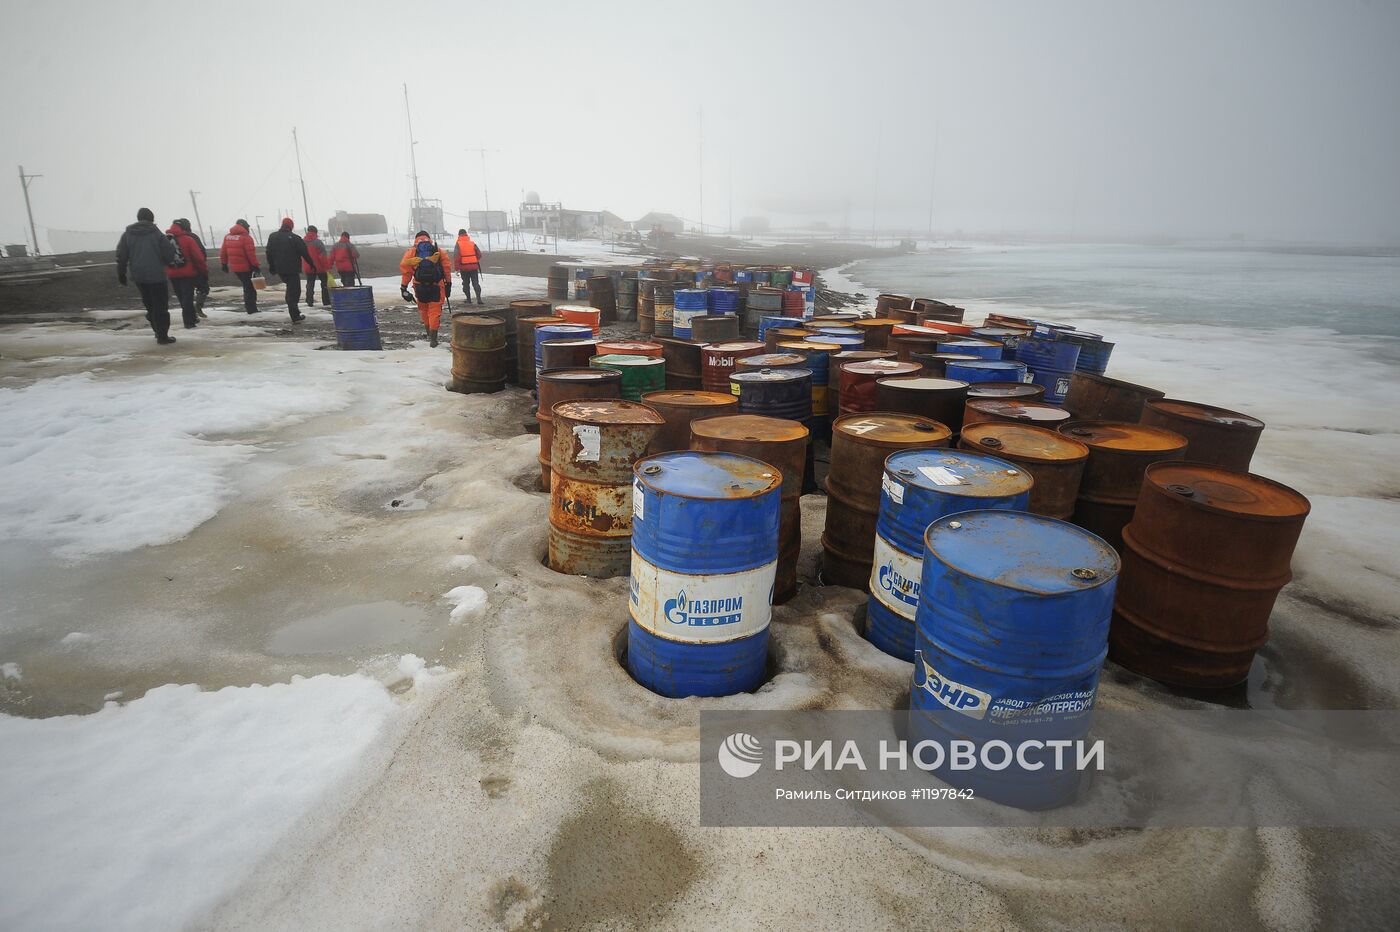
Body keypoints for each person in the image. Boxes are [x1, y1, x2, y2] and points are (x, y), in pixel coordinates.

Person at [115, 207, 179, 344]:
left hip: (139, 276)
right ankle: (162, 335)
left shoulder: (128, 234)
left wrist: (121, 273)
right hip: (157, 275)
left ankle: (156, 329)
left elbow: (121, 255)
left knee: (149, 304)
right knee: (160, 306)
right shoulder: (156, 234)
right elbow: (168, 254)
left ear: (138, 218)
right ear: (152, 218)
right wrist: (167, 261)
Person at [399, 230, 452, 347]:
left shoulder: (411, 252)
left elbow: (406, 271)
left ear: (416, 239)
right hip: (436, 286)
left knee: (424, 310)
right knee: (435, 311)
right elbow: (446, 268)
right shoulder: (438, 251)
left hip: (419, 286)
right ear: (429, 238)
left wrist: (403, 287)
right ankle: (434, 339)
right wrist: (448, 284)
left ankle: (428, 334)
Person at [264, 217, 314, 322]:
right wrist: (312, 264)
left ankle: (294, 311)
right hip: (292, 269)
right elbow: (304, 252)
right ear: (291, 226)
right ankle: (295, 315)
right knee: (294, 291)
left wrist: (272, 266)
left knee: (290, 289)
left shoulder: (272, 236)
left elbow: (269, 252)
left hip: (280, 269)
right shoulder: (295, 238)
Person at [166, 219, 208, 329]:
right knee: (187, 298)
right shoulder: (188, 239)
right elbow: (198, 257)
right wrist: (203, 271)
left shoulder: (165, 239)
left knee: (181, 297)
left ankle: (191, 318)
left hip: (172, 273)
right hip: (187, 273)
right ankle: (189, 321)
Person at [219, 219, 262, 314]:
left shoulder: (227, 237)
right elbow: (251, 254)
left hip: (236, 268)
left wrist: (224, 264)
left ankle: (250, 308)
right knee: (250, 289)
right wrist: (256, 265)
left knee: (247, 287)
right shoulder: (246, 238)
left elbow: (223, 252)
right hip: (246, 268)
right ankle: (251, 309)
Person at [174, 219, 211, 319]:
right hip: (193, 270)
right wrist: (203, 270)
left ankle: (189, 316)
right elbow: (200, 254)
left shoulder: (169, 238)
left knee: (183, 295)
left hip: (174, 272)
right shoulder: (191, 237)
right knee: (203, 288)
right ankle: (196, 309)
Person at [302, 225, 333, 307]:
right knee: (324, 284)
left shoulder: (302, 242)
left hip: (308, 267)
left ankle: (309, 301)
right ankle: (326, 301)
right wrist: (327, 267)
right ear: (315, 232)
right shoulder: (318, 242)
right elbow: (322, 257)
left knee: (310, 284)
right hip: (320, 267)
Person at [454, 228, 483, 305]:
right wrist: (473, 260)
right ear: (466, 234)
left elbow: (457, 257)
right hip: (474, 267)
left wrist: (457, 269)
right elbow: (479, 254)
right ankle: (479, 299)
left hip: (464, 268)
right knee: (476, 283)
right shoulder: (472, 243)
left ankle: (469, 299)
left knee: (466, 283)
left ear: (459, 235)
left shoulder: (458, 244)